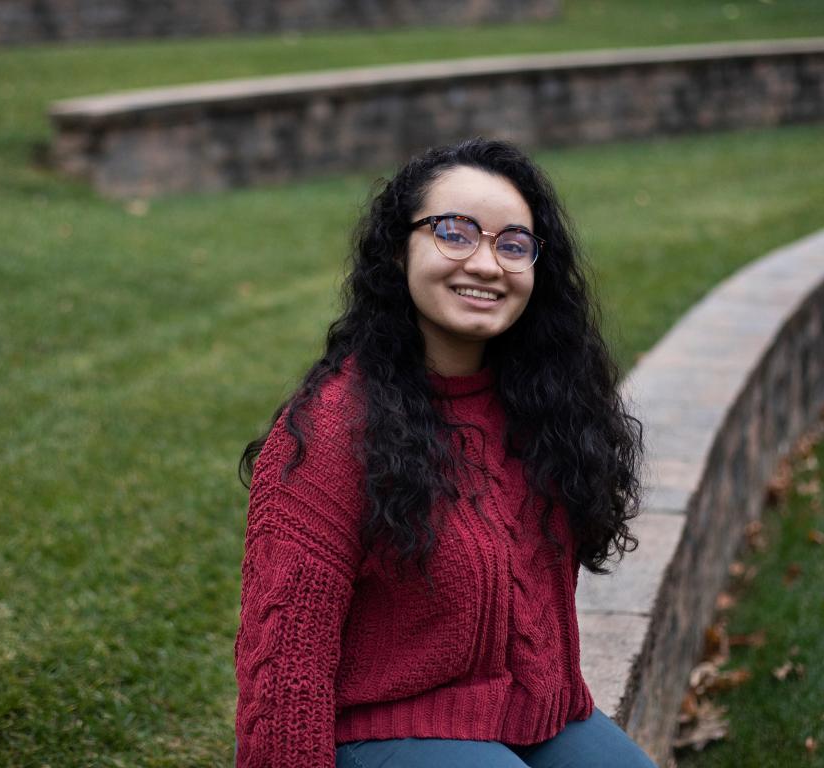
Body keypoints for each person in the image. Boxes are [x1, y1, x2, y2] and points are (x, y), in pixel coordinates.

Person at [234, 137, 656, 768]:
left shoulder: (549, 406)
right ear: (400, 249)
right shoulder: (332, 431)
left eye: (513, 244)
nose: (486, 264)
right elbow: (285, 670)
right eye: (454, 233)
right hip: (374, 732)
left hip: (537, 717)